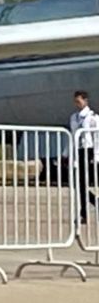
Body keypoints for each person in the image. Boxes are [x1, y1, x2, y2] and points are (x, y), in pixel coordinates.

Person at [71, 88, 99, 234]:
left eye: (79, 101)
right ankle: (85, 211)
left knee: (84, 183)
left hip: (89, 151)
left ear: (85, 101)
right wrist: (66, 154)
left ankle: (85, 212)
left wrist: (96, 155)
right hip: (79, 151)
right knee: (79, 184)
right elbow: (72, 136)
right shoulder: (74, 117)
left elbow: (97, 138)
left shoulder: (92, 117)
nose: (77, 104)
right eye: (75, 101)